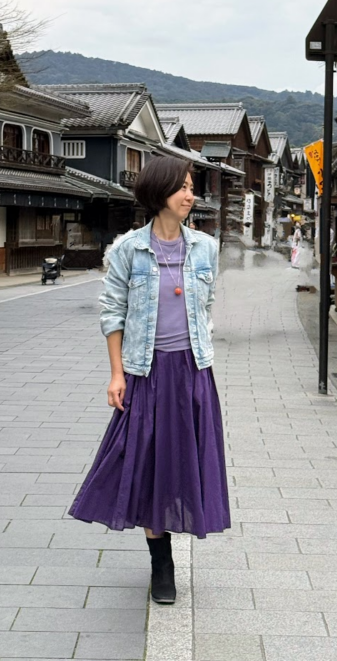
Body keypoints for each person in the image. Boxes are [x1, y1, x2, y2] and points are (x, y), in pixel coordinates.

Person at [69, 156, 230, 605]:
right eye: (182, 187)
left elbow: (206, 305)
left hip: (193, 371)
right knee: (146, 464)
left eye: (192, 186)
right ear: (159, 194)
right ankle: (162, 564)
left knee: (186, 462)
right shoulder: (127, 250)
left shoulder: (205, 248)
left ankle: (171, 549)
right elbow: (112, 313)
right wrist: (117, 374)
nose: (189, 194)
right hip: (146, 372)